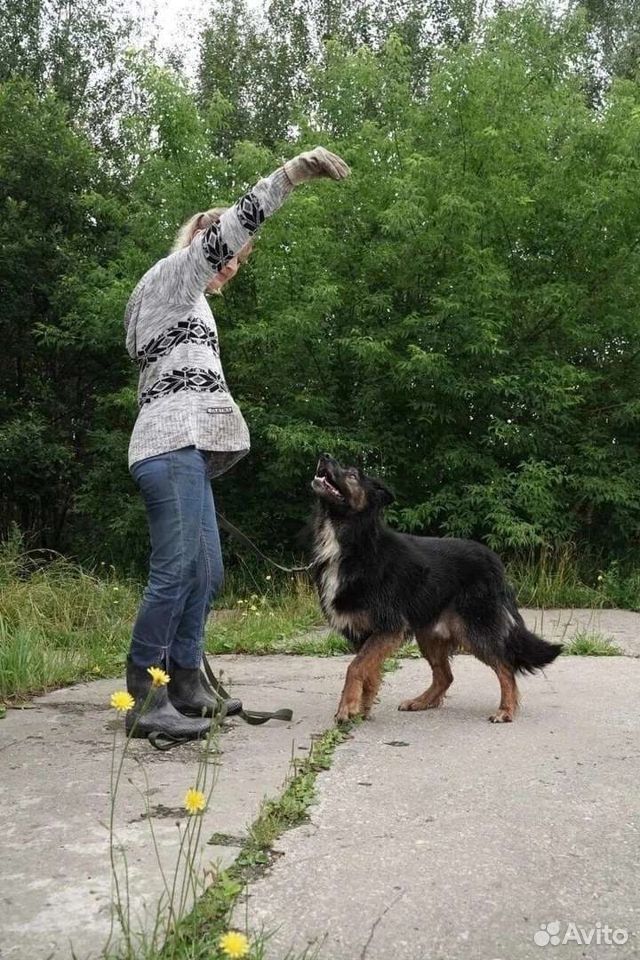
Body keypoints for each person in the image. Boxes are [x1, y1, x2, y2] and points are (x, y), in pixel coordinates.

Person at [123, 147, 351, 740]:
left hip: (187, 454)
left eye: (239, 264)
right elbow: (228, 231)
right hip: (168, 447)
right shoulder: (172, 279)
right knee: (175, 570)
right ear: (203, 240)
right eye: (228, 255)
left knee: (206, 571)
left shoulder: (190, 304)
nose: (232, 266)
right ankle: (145, 697)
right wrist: (291, 175)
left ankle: (187, 683)